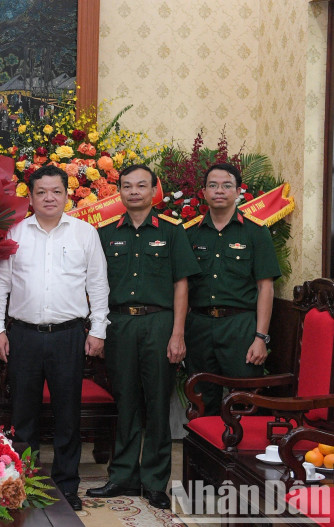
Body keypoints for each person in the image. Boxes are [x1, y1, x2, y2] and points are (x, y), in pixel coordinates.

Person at [0, 164, 110, 511]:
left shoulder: (85, 233)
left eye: (56, 191)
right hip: (23, 336)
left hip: (68, 336)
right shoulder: (14, 233)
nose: (49, 198)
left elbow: (98, 285)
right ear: (30, 196)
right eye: (41, 192)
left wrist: (98, 330)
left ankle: (67, 486)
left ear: (67, 195)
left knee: (67, 416)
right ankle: (21, 484)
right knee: (23, 416)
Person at [88, 164, 199, 509]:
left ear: (154, 191)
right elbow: (94, 285)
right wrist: (98, 330)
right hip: (119, 324)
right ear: (119, 192)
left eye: (141, 185)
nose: (134, 191)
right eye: (127, 186)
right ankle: (122, 476)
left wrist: (177, 334)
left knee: (157, 403)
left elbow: (182, 285)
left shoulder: (172, 232)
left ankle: (154, 482)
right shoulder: (105, 234)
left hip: (159, 324)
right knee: (125, 402)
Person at [185, 162, 281, 415]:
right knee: (202, 401)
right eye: (213, 185)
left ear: (238, 191)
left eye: (227, 185)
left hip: (240, 328)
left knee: (246, 401)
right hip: (199, 327)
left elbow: (266, 288)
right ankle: (203, 443)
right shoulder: (190, 234)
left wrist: (261, 338)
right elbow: (181, 287)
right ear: (203, 192)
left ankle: (242, 443)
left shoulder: (256, 232)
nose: (219, 191)